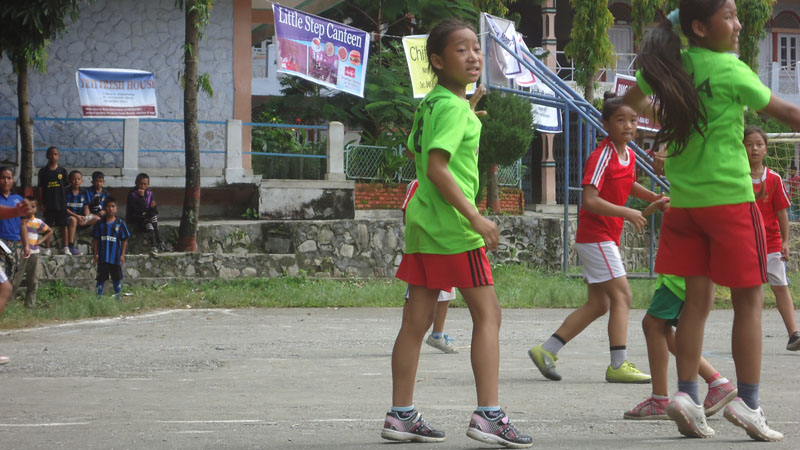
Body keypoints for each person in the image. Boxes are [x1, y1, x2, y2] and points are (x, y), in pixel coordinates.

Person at [621, 0, 800, 441]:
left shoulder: (670, 65)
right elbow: (790, 114)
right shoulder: (730, 69)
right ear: (700, 27)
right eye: (730, 16)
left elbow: (629, 103)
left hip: (685, 206)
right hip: (731, 203)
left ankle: (686, 394)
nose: (738, 25)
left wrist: (676, 116)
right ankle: (749, 404)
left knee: (696, 304)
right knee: (749, 302)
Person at [380, 19, 532, 448]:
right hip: (455, 228)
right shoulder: (450, 107)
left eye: (475, 49)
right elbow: (436, 167)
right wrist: (476, 218)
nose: (473, 56)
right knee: (489, 315)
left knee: (415, 323)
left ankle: (401, 414)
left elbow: (414, 148)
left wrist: (466, 111)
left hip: (424, 225)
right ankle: (489, 415)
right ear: (437, 60)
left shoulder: (433, 104)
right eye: (461, 50)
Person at [527, 92, 664, 384]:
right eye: (620, 120)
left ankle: (546, 350)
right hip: (596, 236)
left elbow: (628, 183)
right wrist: (627, 212)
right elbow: (589, 199)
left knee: (599, 304)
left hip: (604, 237)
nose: (628, 126)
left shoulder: (627, 154)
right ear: (605, 124)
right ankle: (618, 364)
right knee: (623, 296)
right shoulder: (602, 155)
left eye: (633, 120)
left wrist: (654, 198)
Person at [624, 271, 737, 419]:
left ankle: (660, 401)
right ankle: (717, 383)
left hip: (678, 278)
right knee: (663, 329)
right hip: (677, 275)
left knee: (652, 325)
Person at [745, 126, 800, 351]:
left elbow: (782, 212)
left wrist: (785, 242)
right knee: (749, 291)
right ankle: (749, 335)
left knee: (780, 286)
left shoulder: (774, 179)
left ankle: (794, 334)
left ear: (766, 149)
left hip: (771, 244)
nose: (754, 149)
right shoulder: (737, 178)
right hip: (745, 244)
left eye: (759, 144)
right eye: (749, 144)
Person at [402, 179, 459, 354]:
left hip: (444, 244)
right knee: (415, 295)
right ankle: (408, 335)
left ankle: (437, 335)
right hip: (425, 246)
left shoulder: (449, 182)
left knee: (446, 292)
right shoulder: (417, 184)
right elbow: (407, 216)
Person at [0, 196, 35, 364]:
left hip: (11, 244)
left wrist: (16, 211)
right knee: (4, 288)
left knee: (5, 288)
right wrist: (15, 211)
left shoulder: (15, 199)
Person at [11, 197, 51, 309]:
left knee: (33, 281)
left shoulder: (38, 222)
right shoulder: (19, 221)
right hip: (21, 253)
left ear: (36, 209)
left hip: (34, 253)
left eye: (32, 207)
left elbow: (49, 231)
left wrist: (41, 241)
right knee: (15, 280)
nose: (29, 209)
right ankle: (8, 305)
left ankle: (29, 306)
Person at [93, 196, 130, 302]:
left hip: (115, 257)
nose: (111, 209)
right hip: (103, 257)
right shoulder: (100, 223)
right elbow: (95, 240)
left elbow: (124, 239)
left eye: (113, 206)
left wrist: (122, 255)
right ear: (105, 208)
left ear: (116, 208)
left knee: (116, 278)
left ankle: (118, 298)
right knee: (101, 278)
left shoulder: (120, 223)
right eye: (108, 206)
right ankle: (98, 298)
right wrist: (95, 254)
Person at [37, 146, 70, 255]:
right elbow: (41, 188)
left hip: (61, 203)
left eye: (55, 154)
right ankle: (47, 248)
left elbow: (66, 187)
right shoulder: (43, 171)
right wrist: (41, 203)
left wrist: (66, 202)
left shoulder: (62, 171)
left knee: (64, 226)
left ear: (58, 156)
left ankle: (65, 247)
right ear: (47, 156)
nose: (53, 156)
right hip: (48, 204)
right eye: (51, 154)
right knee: (48, 226)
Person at [126, 173, 165, 253]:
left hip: (146, 215)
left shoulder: (150, 193)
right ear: (136, 183)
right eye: (140, 184)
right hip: (135, 217)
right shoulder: (133, 194)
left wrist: (152, 208)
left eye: (145, 184)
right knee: (149, 224)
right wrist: (141, 197)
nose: (142, 186)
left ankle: (159, 242)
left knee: (153, 218)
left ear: (148, 184)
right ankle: (154, 246)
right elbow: (138, 210)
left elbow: (155, 210)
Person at [65, 170, 93, 255]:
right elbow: (64, 208)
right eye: (73, 179)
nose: (76, 181)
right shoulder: (65, 191)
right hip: (69, 216)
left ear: (81, 181)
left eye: (78, 179)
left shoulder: (85, 192)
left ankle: (97, 244)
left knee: (97, 219)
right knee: (73, 219)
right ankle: (71, 245)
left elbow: (86, 207)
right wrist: (77, 216)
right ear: (70, 180)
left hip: (81, 217)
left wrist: (86, 217)